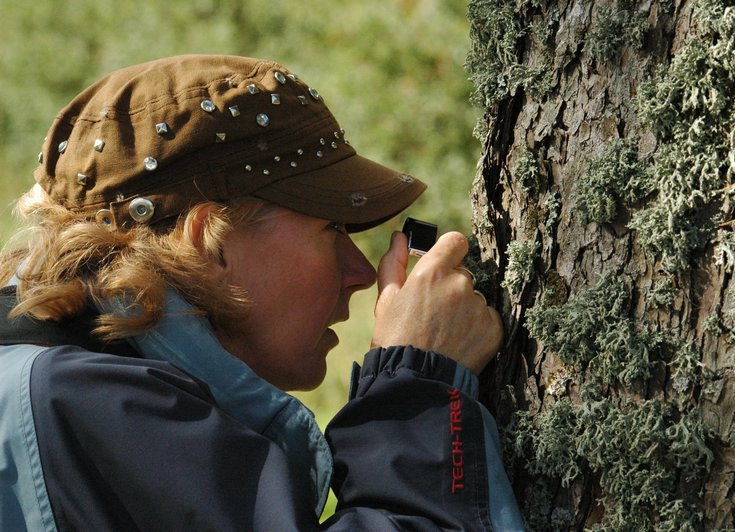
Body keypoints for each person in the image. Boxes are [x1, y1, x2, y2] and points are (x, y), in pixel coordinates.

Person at [0, 54, 524, 531]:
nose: (362, 273)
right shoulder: (88, 403)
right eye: (331, 230)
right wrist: (418, 385)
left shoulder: (50, 376)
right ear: (212, 241)